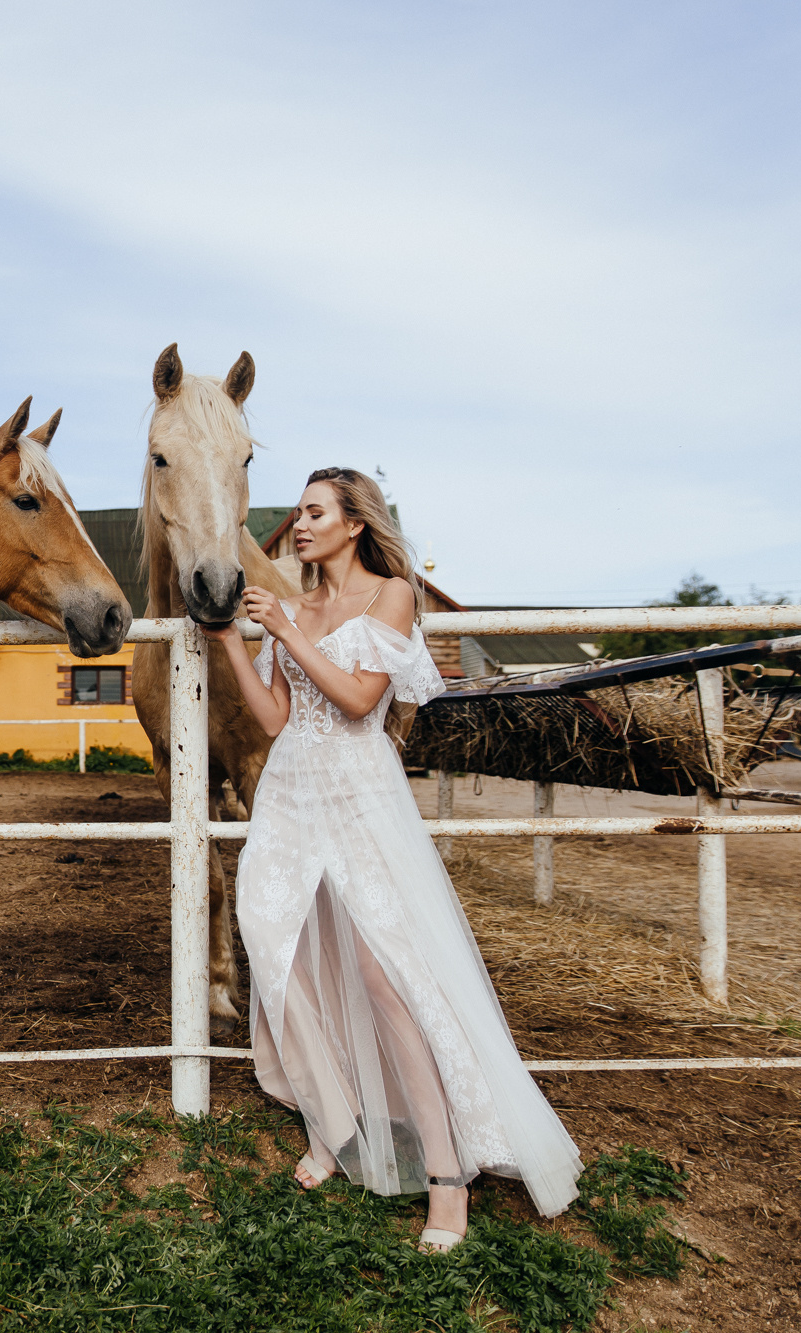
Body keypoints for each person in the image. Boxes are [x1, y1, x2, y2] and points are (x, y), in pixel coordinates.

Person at [202, 467, 581, 1250]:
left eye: (314, 512)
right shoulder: (299, 606)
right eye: (298, 513)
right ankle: (334, 1125)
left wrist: (284, 633)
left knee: (386, 972)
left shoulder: (391, 595)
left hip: (359, 794)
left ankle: (447, 1175)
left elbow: (357, 700)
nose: (299, 525)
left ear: (353, 523)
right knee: (281, 948)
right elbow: (276, 717)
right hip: (291, 795)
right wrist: (226, 642)